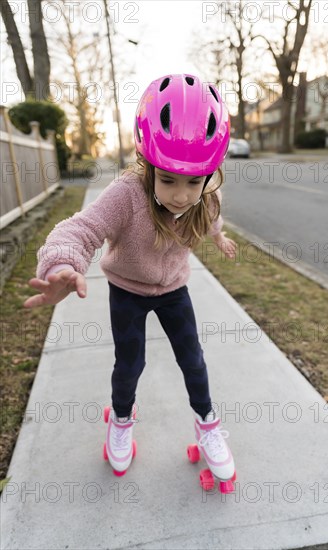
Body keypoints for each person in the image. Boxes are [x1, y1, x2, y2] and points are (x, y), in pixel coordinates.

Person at [23, 74, 237, 485]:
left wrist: (220, 237)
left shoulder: (206, 197)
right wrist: (61, 264)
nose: (181, 195)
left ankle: (207, 423)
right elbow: (81, 229)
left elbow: (213, 218)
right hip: (127, 290)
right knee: (130, 362)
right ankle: (121, 419)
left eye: (194, 181)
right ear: (148, 165)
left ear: (209, 176)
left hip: (174, 290)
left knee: (192, 358)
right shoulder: (127, 195)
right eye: (169, 179)